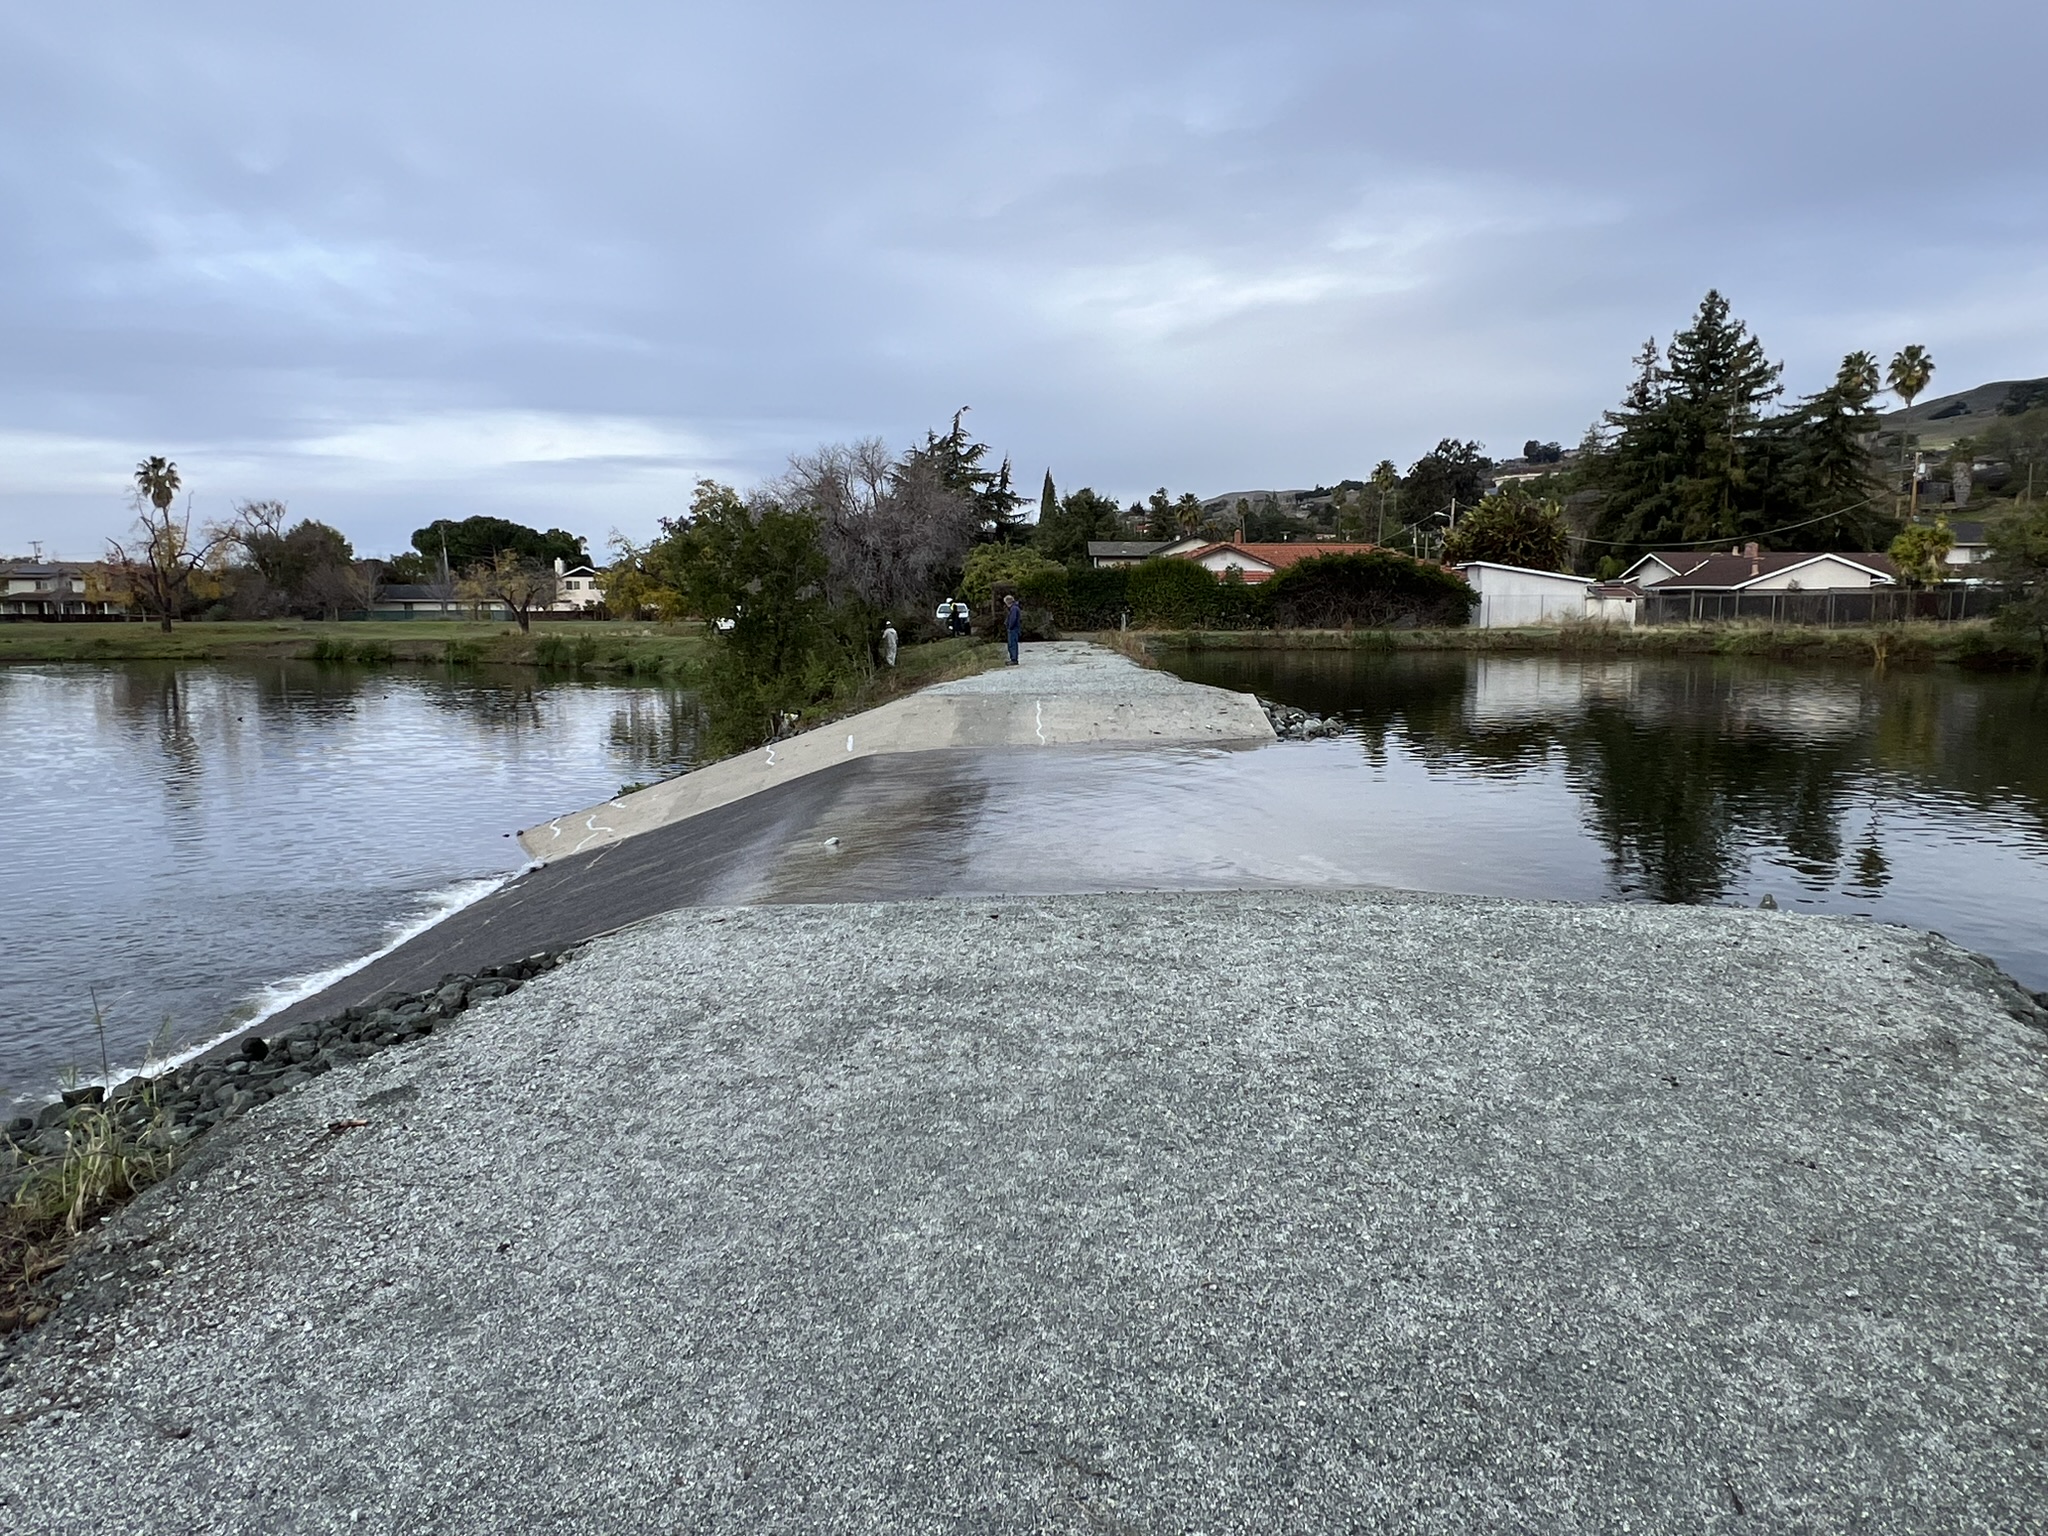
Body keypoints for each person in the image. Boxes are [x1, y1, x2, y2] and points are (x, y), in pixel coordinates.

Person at [1003, 592, 1021, 665]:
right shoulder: (1014, 608)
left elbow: (1013, 619)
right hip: (1014, 628)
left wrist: (1009, 626)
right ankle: (1013, 658)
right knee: (1012, 644)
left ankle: (1014, 659)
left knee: (1012, 644)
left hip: (1013, 629)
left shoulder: (1014, 609)